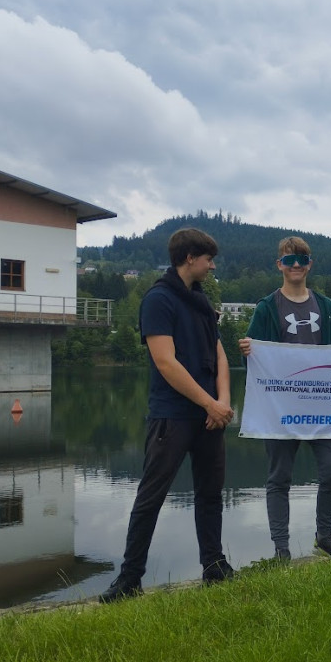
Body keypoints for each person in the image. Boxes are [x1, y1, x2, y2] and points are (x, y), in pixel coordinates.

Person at [100, 228, 235, 603]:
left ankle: (214, 566)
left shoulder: (202, 300)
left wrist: (222, 402)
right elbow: (165, 362)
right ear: (190, 258)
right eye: (208, 259)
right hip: (172, 416)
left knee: (210, 495)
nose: (212, 266)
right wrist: (209, 403)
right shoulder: (158, 300)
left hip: (210, 417)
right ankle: (129, 579)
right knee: (151, 497)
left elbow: (219, 354)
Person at [239, 237, 331, 561]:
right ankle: (281, 548)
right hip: (280, 408)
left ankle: (324, 534)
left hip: (323, 405)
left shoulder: (326, 307)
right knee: (279, 477)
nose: (296, 265)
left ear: (310, 264)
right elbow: (253, 360)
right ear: (280, 265)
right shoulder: (266, 307)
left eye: (301, 259)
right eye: (289, 260)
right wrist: (247, 350)